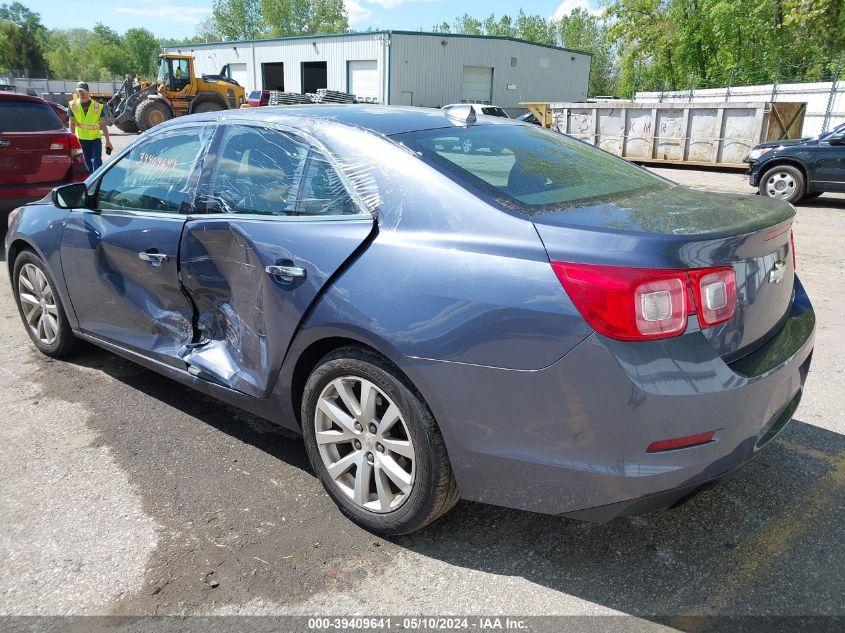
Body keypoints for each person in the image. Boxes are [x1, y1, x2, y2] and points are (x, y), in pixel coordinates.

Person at [68, 81, 113, 173]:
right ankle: (90, 184)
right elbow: (72, 123)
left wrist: (108, 141)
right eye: (80, 91)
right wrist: (72, 142)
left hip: (95, 140)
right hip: (81, 139)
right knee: (86, 164)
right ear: (77, 92)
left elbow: (103, 125)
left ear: (88, 91)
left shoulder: (97, 106)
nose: (82, 93)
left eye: (84, 91)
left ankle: (98, 181)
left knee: (97, 162)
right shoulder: (72, 105)